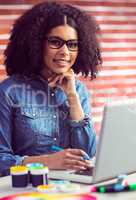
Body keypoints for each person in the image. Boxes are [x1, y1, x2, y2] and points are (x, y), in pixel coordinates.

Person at [0, 1, 102, 176]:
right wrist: (47, 162)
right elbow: (1, 160)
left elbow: (88, 155)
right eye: (55, 42)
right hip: (26, 188)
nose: (65, 52)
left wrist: (72, 97)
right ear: (37, 44)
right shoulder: (10, 91)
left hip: (70, 188)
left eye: (72, 44)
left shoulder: (78, 91)